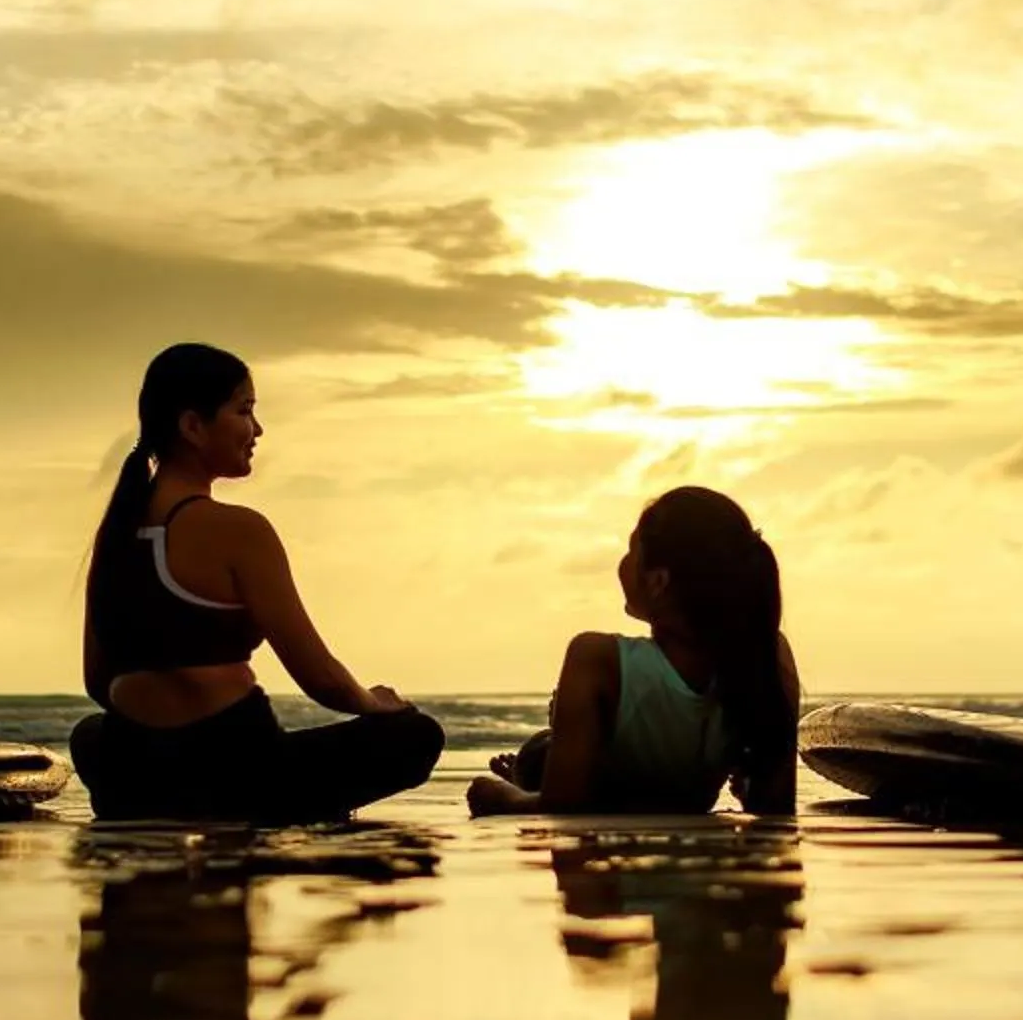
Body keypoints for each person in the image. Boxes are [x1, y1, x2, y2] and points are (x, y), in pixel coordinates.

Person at [68, 342, 443, 820]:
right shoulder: (239, 530)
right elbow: (320, 678)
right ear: (192, 426)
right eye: (244, 410)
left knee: (90, 732)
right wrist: (375, 703)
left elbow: (98, 681)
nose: (257, 430)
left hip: (135, 771)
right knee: (417, 734)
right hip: (240, 775)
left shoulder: (115, 533)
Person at [466, 486, 800, 817]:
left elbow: (562, 810)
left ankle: (524, 776)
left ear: (657, 581)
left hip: (609, 842)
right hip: (701, 842)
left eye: (631, 550)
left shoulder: (596, 658)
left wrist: (501, 797)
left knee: (536, 753)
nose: (623, 563)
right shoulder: (767, 652)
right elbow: (776, 807)